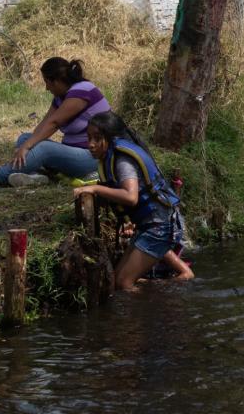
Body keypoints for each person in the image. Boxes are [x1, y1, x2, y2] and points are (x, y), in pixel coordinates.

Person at [73, 111, 193, 290]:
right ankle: (171, 283)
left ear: (111, 138)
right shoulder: (110, 157)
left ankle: (142, 316)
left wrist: (95, 188)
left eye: (97, 138)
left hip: (160, 226)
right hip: (151, 224)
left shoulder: (122, 160)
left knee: (123, 283)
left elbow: (130, 196)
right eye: (89, 138)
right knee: (115, 281)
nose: (90, 144)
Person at [0, 57, 110, 192]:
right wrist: (28, 143)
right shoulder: (61, 97)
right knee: (25, 138)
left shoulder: (82, 90)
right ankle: (36, 175)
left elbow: (54, 123)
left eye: (47, 83)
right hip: (75, 152)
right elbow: (44, 123)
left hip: (93, 157)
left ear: (56, 81)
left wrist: (28, 148)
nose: (46, 88)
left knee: (42, 148)